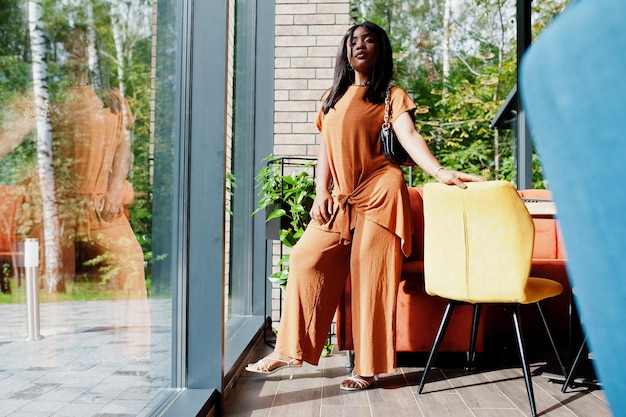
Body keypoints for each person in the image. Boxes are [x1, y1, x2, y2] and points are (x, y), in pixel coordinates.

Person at [246, 21, 482, 390]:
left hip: (382, 192)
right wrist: (320, 191)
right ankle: (288, 349)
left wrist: (439, 171)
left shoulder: (391, 95)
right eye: (353, 41)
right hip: (341, 196)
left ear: (379, 50)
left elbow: (409, 135)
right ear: (346, 51)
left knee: (370, 274)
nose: (360, 45)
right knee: (305, 258)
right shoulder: (332, 97)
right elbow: (325, 147)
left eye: (369, 40)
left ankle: (366, 368)